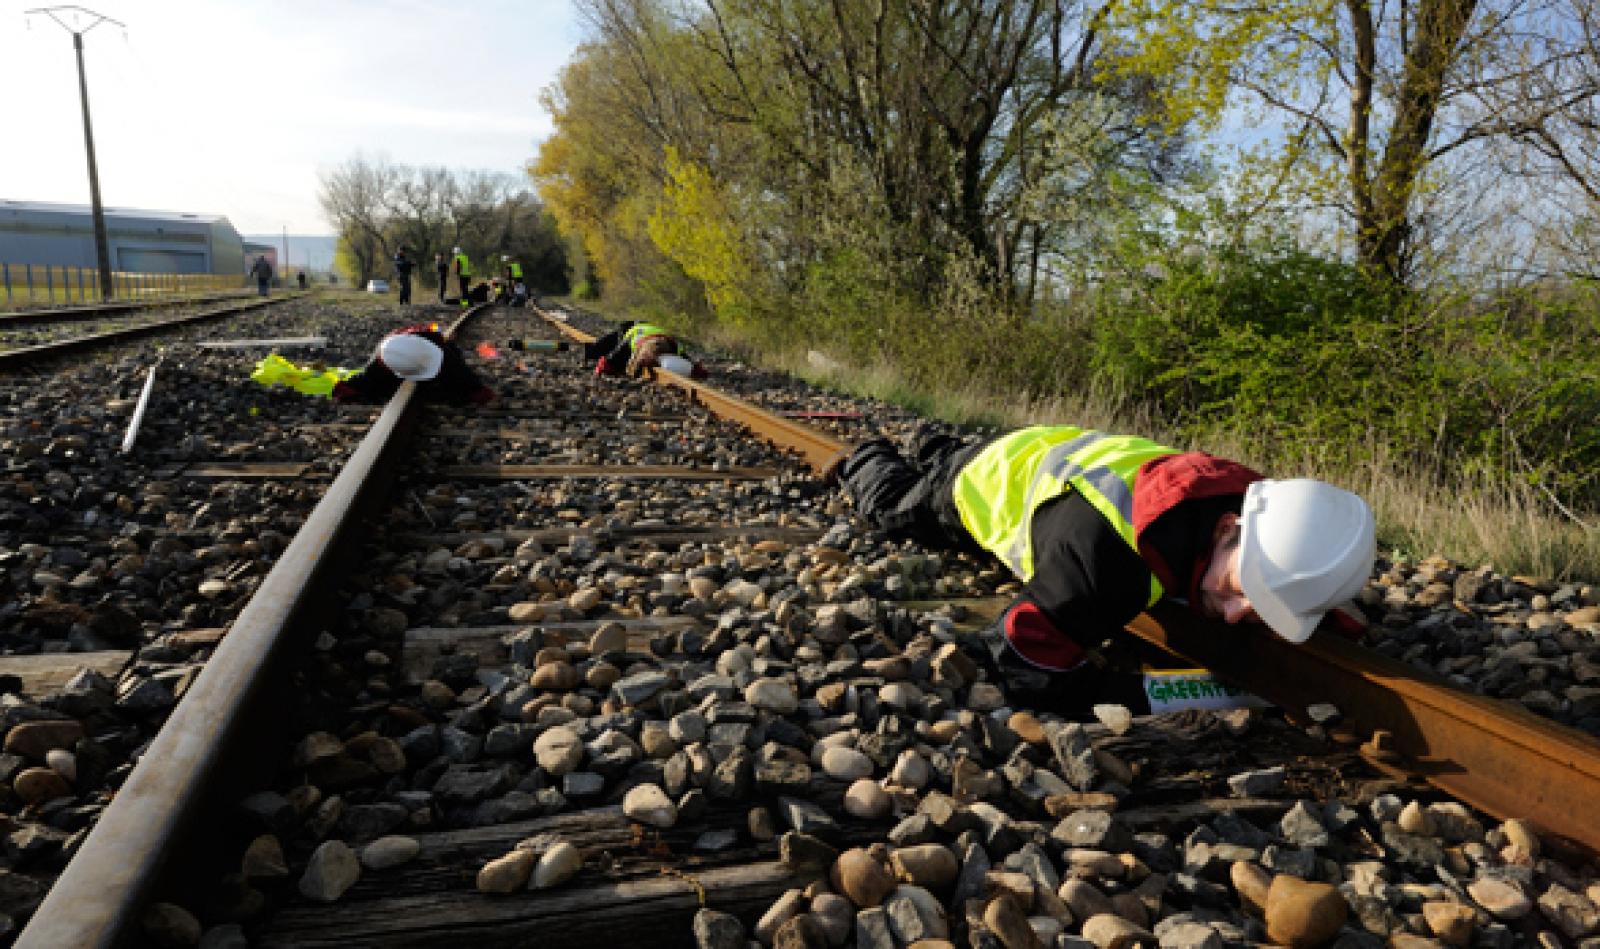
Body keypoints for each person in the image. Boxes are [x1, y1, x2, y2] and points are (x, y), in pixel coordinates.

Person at [833, 425, 1376, 714]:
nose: (1234, 615)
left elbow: (1300, 575)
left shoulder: (1259, 503)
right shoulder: (1102, 564)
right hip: (989, 480)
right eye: (1239, 588)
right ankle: (867, 455)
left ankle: (935, 442)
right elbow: (1019, 658)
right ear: (1225, 529)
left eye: (1259, 609)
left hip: (1049, 445)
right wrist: (1138, 695)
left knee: (950, 457)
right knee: (895, 508)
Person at [331, 322, 496, 405]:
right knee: (377, 388)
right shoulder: (381, 362)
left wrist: (479, 392)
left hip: (425, 344)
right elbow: (359, 382)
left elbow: (467, 380)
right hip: (396, 350)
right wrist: (342, 390)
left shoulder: (445, 353)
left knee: (453, 382)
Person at [585, 321, 707, 378]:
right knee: (600, 349)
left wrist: (602, 367)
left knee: (625, 361)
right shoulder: (671, 343)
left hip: (646, 337)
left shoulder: (633, 337)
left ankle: (591, 350)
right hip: (639, 332)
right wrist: (697, 370)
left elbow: (612, 359)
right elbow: (686, 358)